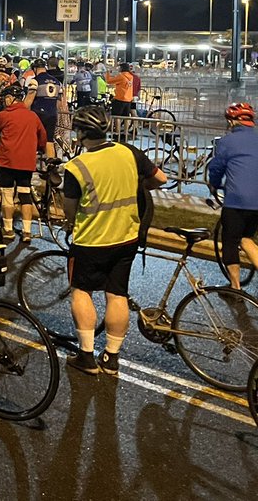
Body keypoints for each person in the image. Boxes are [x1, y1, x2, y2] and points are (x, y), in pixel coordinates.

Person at [62, 105, 167, 377]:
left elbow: (70, 208)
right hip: (127, 237)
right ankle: (112, 358)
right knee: (117, 294)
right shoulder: (129, 152)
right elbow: (160, 179)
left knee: (81, 291)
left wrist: (70, 223)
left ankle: (86, 355)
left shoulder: (76, 167)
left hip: (90, 241)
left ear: (82, 133)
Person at [206, 102, 258, 290]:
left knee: (230, 241)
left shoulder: (227, 142)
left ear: (232, 122)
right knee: (246, 239)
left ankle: (235, 287)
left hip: (237, 200)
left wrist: (213, 185)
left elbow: (216, 168)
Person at [0, 83, 46, 243]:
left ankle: (8, 229)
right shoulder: (32, 116)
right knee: (25, 194)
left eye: (6, 98)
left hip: (7, 161)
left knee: (7, 195)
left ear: (10, 98)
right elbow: (43, 136)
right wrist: (38, 149)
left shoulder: (5, 115)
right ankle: (27, 231)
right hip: (26, 163)